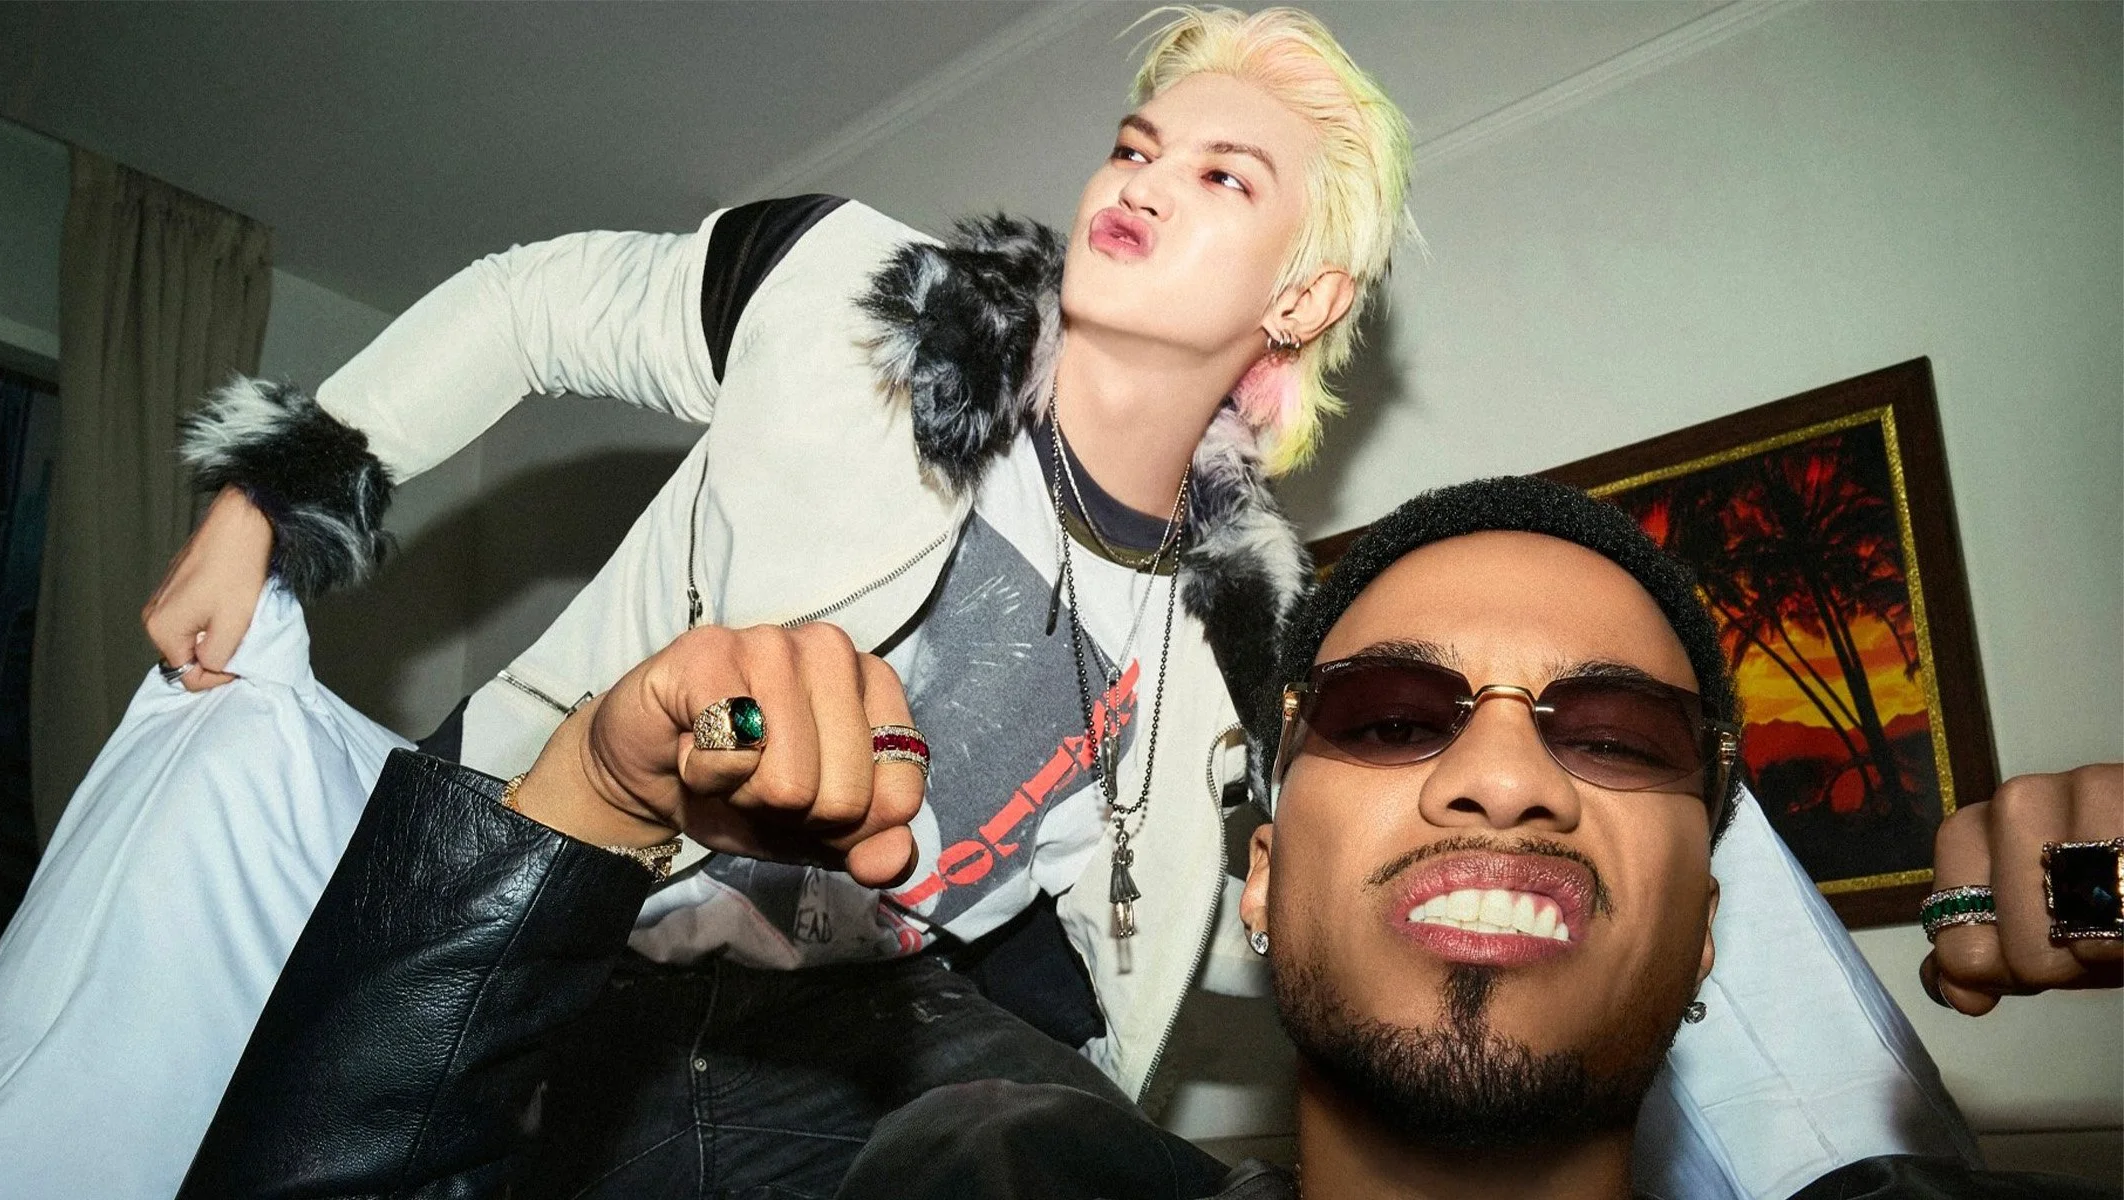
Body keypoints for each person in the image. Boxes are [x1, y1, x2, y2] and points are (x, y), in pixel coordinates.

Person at [0, 8, 1995, 1198]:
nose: (1141, 179)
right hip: (545, 910)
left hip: (858, 1040)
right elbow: (534, 302)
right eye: (1139, 141)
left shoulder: (1251, 636)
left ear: (1302, 296)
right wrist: (277, 501)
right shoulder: (854, 300)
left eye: (1223, 177)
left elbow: (1228, 929)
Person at [180, 476, 2120, 1200]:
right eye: (1394, 712)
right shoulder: (1013, 1177)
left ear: (1707, 933)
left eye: (1613, 736)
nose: (1504, 773)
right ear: (1258, 881)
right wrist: (590, 798)